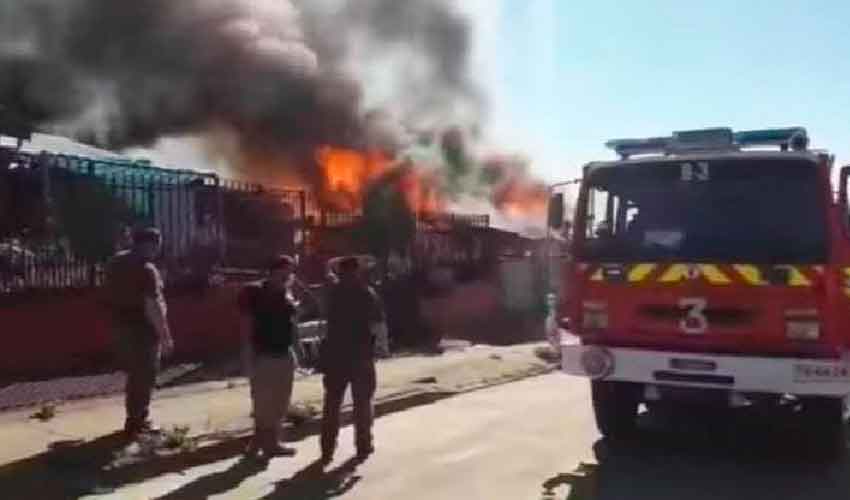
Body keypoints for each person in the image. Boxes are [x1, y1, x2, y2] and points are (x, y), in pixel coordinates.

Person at [103, 227, 174, 438]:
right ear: (151, 244)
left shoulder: (115, 263)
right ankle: (137, 421)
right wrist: (166, 336)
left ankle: (134, 418)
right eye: (157, 245)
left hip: (119, 325)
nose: (158, 250)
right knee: (144, 376)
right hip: (143, 330)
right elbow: (152, 305)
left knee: (134, 374)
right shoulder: (146, 269)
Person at [320, 256, 385, 464]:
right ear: (358, 272)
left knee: (332, 403)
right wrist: (381, 348)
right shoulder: (367, 293)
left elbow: (327, 269)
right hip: (360, 354)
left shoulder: (333, 292)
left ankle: (327, 448)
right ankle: (363, 445)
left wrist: (334, 263)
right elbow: (377, 323)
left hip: (336, 355)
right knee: (363, 403)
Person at [238, 255, 299, 459]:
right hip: (263, 354)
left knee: (280, 402)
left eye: (290, 271)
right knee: (264, 403)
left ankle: (260, 444)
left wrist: (295, 352)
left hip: (284, 353)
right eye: (284, 271)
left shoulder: (286, 293)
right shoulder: (255, 291)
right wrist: (247, 353)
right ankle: (268, 444)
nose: (288, 275)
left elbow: (292, 325)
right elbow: (246, 323)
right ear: (273, 271)